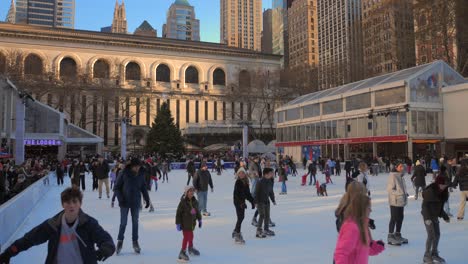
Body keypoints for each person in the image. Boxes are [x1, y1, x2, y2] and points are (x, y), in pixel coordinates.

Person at [0, 187, 115, 264]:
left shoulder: (89, 223)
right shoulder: (53, 225)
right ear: (62, 204)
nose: (71, 206)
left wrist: (106, 249)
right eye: (68, 202)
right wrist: (10, 252)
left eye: (75, 202)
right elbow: (29, 239)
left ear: (80, 204)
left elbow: (106, 240)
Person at [334, 194, 385, 264]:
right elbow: (341, 253)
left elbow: (362, 249)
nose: (371, 210)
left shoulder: (362, 226)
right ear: (361, 209)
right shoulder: (352, 228)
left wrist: (375, 247)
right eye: (368, 207)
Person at [114, 158, 150, 255]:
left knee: (135, 222)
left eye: (139, 166)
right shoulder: (123, 173)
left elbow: (143, 187)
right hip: (124, 202)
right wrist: (121, 199)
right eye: (135, 167)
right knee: (123, 223)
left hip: (135, 202)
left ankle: (135, 242)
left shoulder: (141, 174)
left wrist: (147, 199)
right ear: (131, 166)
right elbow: (116, 188)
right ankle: (120, 242)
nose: (137, 168)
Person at [421, 174, 450, 263]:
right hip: (428, 216)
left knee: (437, 234)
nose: (444, 186)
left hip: (435, 216)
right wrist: (427, 218)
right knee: (431, 235)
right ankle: (426, 255)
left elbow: (440, 207)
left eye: (445, 185)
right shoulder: (430, 191)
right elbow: (425, 206)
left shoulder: (443, 192)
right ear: (438, 183)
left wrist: (445, 216)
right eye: (442, 184)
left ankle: (434, 253)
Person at [176, 185, 202, 262]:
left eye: (192, 191)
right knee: (186, 237)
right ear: (186, 192)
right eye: (189, 191)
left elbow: (197, 211)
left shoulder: (195, 201)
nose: (191, 193)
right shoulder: (183, 202)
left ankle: (190, 248)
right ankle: (182, 252)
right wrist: (178, 223)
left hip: (192, 223)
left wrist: (200, 219)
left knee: (191, 236)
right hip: (185, 223)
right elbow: (178, 214)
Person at [387, 162, 409, 246]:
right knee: (394, 217)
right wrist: (400, 192)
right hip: (395, 201)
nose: (402, 168)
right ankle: (390, 236)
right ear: (396, 167)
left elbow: (401, 187)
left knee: (400, 217)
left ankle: (397, 234)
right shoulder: (393, 175)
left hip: (401, 200)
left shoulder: (401, 175)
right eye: (400, 166)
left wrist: (404, 193)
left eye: (403, 166)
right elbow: (390, 189)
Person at [232, 167, 255, 244]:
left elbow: (247, 194)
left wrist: (252, 201)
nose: (241, 174)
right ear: (238, 174)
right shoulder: (238, 182)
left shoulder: (246, 182)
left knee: (241, 217)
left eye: (243, 173)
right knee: (240, 217)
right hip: (238, 202)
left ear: (245, 174)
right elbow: (236, 194)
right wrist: (241, 203)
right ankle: (237, 234)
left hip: (242, 202)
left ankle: (235, 230)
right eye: (240, 173)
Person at [254, 167, 276, 238]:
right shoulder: (260, 182)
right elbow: (256, 193)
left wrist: (273, 200)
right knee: (262, 215)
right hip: (260, 201)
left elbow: (271, 192)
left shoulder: (270, 181)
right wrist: (256, 202)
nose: (272, 174)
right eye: (270, 173)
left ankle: (266, 229)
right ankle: (258, 230)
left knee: (267, 215)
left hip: (267, 201)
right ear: (266, 174)